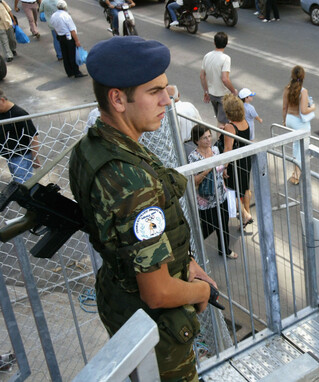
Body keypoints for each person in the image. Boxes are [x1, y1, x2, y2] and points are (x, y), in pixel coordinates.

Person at [68, 36, 216, 381]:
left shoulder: (94, 146)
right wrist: (203, 291)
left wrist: (187, 262)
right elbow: (158, 291)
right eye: (154, 92)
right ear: (117, 98)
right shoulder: (129, 179)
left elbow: (128, 239)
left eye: (166, 88)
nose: (168, 99)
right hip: (155, 327)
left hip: (121, 300)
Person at [188, 125, 238, 259]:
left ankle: (224, 250)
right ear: (196, 140)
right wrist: (208, 167)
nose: (208, 140)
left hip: (221, 195)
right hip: (206, 201)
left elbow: (219, 168)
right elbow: (195, 181)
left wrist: (223, 171)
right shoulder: (193, 157)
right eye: (204, 138)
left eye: (209, 136)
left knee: (224, 224)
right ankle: (191, 250)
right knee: (208, 227)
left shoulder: (215, 149)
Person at [219, 93, 253, 227]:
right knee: (245, 188)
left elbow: (228, 149)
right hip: (245, 160)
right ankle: (247, 212)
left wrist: (224, 167)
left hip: (234, 163)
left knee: (230, 190)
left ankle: (245, 215)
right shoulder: (245, 122)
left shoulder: (230, 127)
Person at [281, 65, 315, 185]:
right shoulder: (303, 91)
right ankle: (296, 174)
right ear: (303, 76)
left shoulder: (287, 88)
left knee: (296, 145)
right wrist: (314, 108)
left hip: (290, 118)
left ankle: (295, 170)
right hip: (299, 122)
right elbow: (304, 110)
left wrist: (284, 120)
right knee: (302, 147)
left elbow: (284, 106)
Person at [0, 89, 40, 183]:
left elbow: (33, 137)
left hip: (21, 156)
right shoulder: (2, 112)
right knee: (18, 182)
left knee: (23, 183)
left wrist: (35, 158)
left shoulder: (20, 114)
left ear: (2, 100)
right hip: (9, 156)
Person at [200, 32, 236, 129]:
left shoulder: (207, 56)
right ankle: (221, 143)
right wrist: (233, 91)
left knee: (219, 119)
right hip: (223, 95)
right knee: (222, 123)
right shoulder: (225, 59)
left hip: (212, 94)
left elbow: (202, 76)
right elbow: (225, 79)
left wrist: (206, 92)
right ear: (226, 43)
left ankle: (220, 142)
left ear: (214, 43)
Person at [49, 0, 86, 78]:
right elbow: (72, 30)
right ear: (65, 7)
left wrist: (58, 36)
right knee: (72, 55)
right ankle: (76, 72)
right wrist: (77, 41)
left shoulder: (53, 15)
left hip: (60, 37)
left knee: (65, 55)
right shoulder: (66, 16)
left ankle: (69, 72)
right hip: (68, 37)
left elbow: (54, 28)